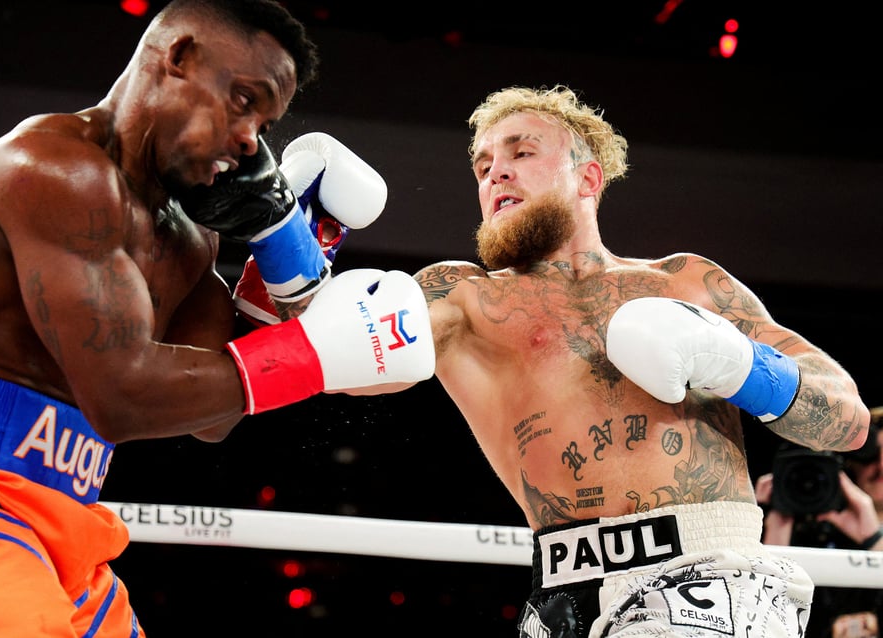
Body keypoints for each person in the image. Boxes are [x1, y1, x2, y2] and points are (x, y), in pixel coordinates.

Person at [0, 1, 434, 636]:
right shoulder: (55, 172)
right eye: (244, 101)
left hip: (67, 519)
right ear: (178, 57)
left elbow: (213, 419)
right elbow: (123, 397)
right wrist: (311, 354)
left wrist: (274, 265)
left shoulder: (191, 233)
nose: (251, 140)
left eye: (265, 121)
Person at [238, 84, 871, 637]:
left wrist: (740, 365)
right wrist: (285, 236)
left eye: (520, 152)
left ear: (588, 178)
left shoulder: (687, 282)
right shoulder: (462, 298)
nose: (496, 174)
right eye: (483, 165)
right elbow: (331, 351)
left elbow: (845, 419)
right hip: (561, 596)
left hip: (708, 577)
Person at [756, 407, 883, 638]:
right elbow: (758, 621)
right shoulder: (803, 529)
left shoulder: (870, 534)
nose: (882, 467)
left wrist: (875, 540)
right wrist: (772, 528)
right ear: (851, 461)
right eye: (872, 456)